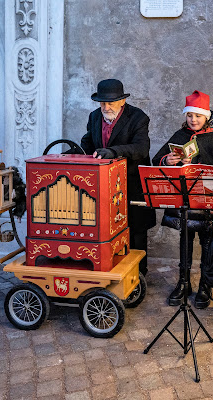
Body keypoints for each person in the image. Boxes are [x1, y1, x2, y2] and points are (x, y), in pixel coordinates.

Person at [152, 90, 213, 308]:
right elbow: (158, 159)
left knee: (205, 242)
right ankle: (184, 282)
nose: (193, 120)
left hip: (206, 201)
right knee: (185, 240)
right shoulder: (180, 135)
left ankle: (205, 284)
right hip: (184, 199)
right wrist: (168, 160)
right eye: (189, 116)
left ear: (206, 116)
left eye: (198, 116)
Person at [80, 78, 156, 276]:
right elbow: (88, 141)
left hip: (132, 184)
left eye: (110, 102)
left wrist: (113, 152)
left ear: (122, 101)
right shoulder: (95, 117)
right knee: (109, 231)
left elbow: (141, 149)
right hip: (105, 187)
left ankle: (139, 275)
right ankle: (114, 272)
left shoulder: (138, 118)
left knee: (136, 232)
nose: (105, 107)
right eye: (102, 102)